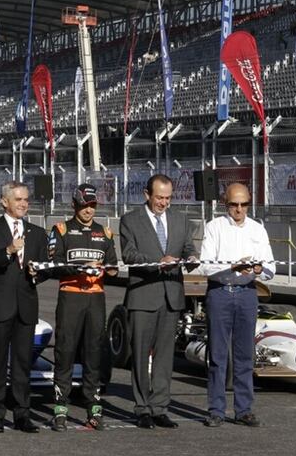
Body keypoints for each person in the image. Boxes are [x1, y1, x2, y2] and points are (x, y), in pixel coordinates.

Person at [118, 173, 197, 429]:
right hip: (143, 295)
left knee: (164, 357)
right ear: (147, 195)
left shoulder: (180, 220)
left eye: (168, 198)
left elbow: (188, 247)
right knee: (140, 355)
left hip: (171, 296)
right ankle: (142, 407)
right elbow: (129, 254)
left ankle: (160, 407)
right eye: (159, 197)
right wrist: (157, 263)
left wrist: (192, 258)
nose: (164, 203)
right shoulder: (130, 220)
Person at [199, 183, 275, 428]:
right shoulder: (214, 227)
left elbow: (271, 268)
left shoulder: (257, 229)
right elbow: (205, 266)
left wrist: (259, 269)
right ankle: (216, 410)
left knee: (244, 355)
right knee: (218, 355)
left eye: (244, 204)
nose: (239, 209)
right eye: (234, 204)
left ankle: (243, 409)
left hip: (247, 294)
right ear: (225, 204)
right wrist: (232, 267)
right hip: (220, 292)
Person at [44, 183, 118, 431]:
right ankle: (60, 409)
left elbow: (113, 267)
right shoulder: (61, 230)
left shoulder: (105, 233)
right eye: (85, 205)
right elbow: (53, 265)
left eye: (93, 205)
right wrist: (80, 267)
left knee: (94, 353)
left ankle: (94, 409)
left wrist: (109, 269)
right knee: (65, 351)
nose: (89, 210)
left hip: (95, 298)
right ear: (74, 204)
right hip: (71, 296)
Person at [0, 180, 47, 433]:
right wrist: (7, 250)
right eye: (18, 199)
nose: (24, 204)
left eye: (26, 199)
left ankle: (22, 415)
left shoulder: (37, 233)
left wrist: (38, 273)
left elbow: (45, 267)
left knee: (22, 364)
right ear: (4, 201)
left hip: (26, 305)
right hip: (0, 304)